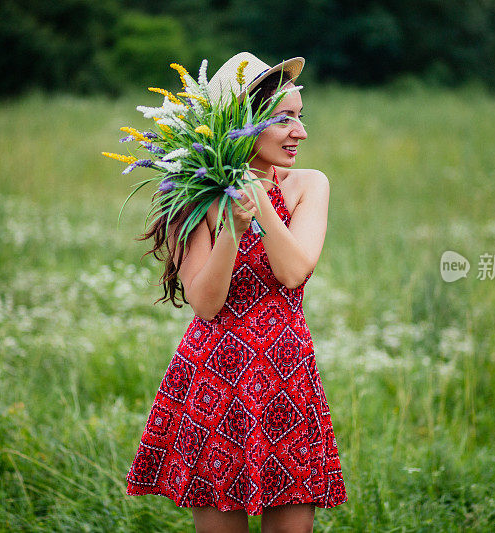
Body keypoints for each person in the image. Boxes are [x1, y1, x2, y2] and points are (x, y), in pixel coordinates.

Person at [125, 52, 348, 533]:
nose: (300, 133)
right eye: (284, 119)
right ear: (243, 123)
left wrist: (259, 200)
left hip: (286, 378)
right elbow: (206, 304)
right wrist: (233, 225)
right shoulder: (191, 194)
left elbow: (293, 272)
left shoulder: (310, 185)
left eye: (300, 119)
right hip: (215, 381)